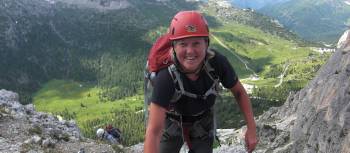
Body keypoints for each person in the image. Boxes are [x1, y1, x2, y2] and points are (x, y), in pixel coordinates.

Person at [144, 11, 258, 153]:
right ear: (174, 46)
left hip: (202, 124)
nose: (190, 51)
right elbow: (154, 131)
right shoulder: (166, 76)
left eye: (196, 43)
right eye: (183, 44)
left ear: (206, 43)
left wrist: (252, 129)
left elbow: (239, 92)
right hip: (171, 124)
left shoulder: (217, 63)